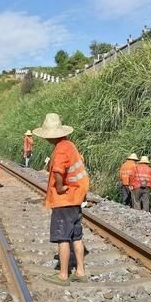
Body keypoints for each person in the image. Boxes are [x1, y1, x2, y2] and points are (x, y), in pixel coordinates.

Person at [33, 113, 89, 286]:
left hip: (64, 199)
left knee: (63, 237)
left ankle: (63, 275)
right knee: (76, 236)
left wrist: (58, 187)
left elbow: (58, 171)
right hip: (76, 198)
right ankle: (80, 272)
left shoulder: (60, 149)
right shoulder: (70, 145)